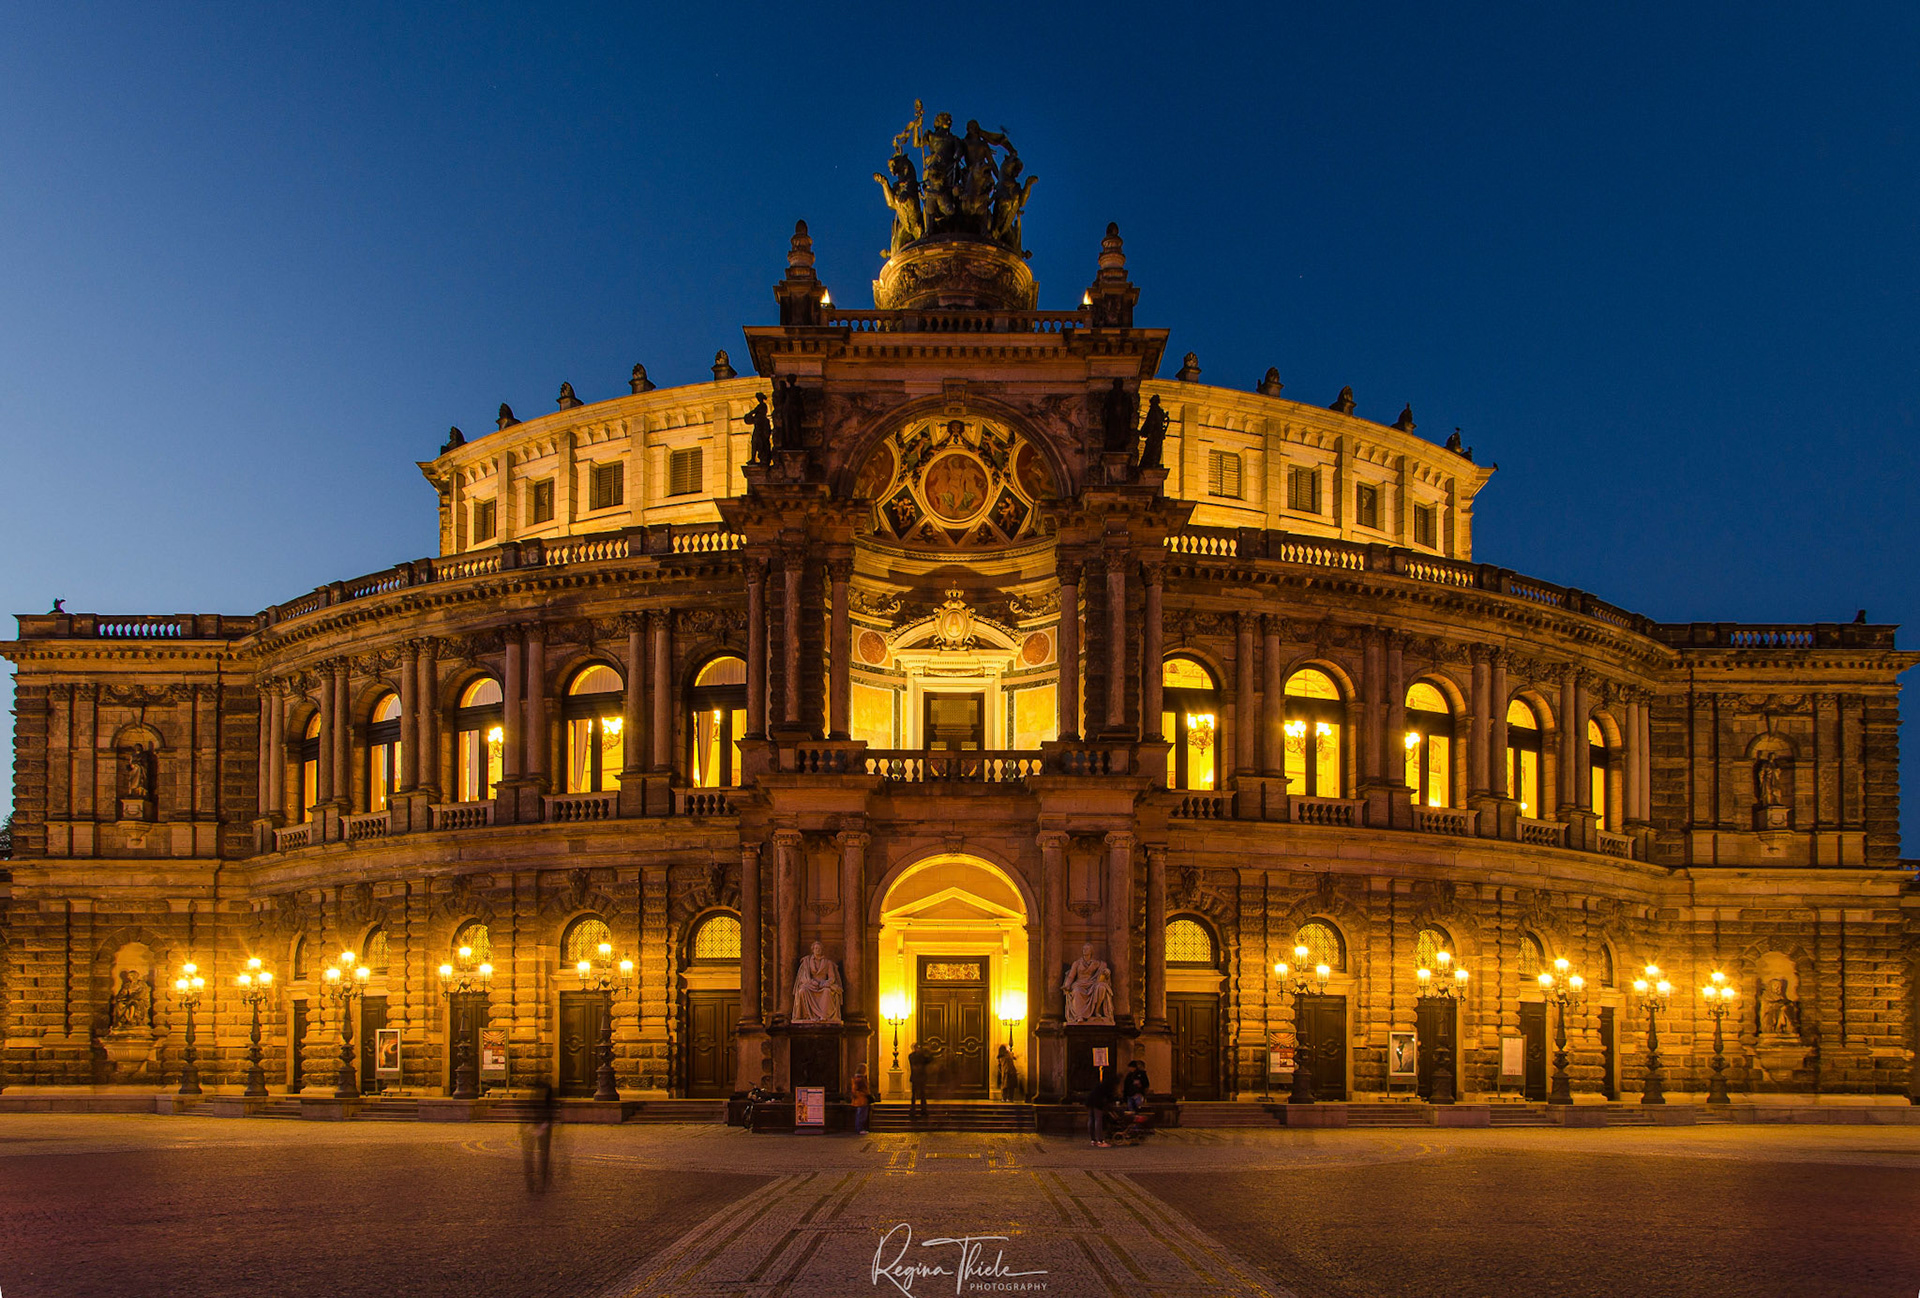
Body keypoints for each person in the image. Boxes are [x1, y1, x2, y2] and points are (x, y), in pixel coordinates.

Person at [521, 1081, 557, 1192]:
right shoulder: (540, 1096)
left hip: (541, 1126)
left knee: (540, 1154)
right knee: (534, 1155)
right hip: (538, 1125)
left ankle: (539, 1179)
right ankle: (535, 1179)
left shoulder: (537, 1096)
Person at [1085, 1069, 1115, 1147]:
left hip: (1090, 1101)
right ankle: (1100, 1140)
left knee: (1091, 1119)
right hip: (1098, 1103)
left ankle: (1093, 1139)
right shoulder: (1108, 1086)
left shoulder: (1099, 1084)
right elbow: (1109, 1096)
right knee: (1098, 1120)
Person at [907, 1041, 933, 1122]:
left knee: (922, 1094)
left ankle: (923, 1110)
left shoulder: (919, 1056)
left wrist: (929, 1051)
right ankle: (914, 1110)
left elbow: (929, 1060)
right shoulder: (913, 1056)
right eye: (916, 1047)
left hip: (921, 1077)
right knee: (914, 1094)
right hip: (916, 1077)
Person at [850, 1066, 873, 1135]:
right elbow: (858, 1089)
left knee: (860, 1114)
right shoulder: (860, 1079)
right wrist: (865, 1093)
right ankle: (860, 1129)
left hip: (859, 1099)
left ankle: (859, 1128)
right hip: (861, 1099)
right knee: (861, 1115)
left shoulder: (856, 1078)